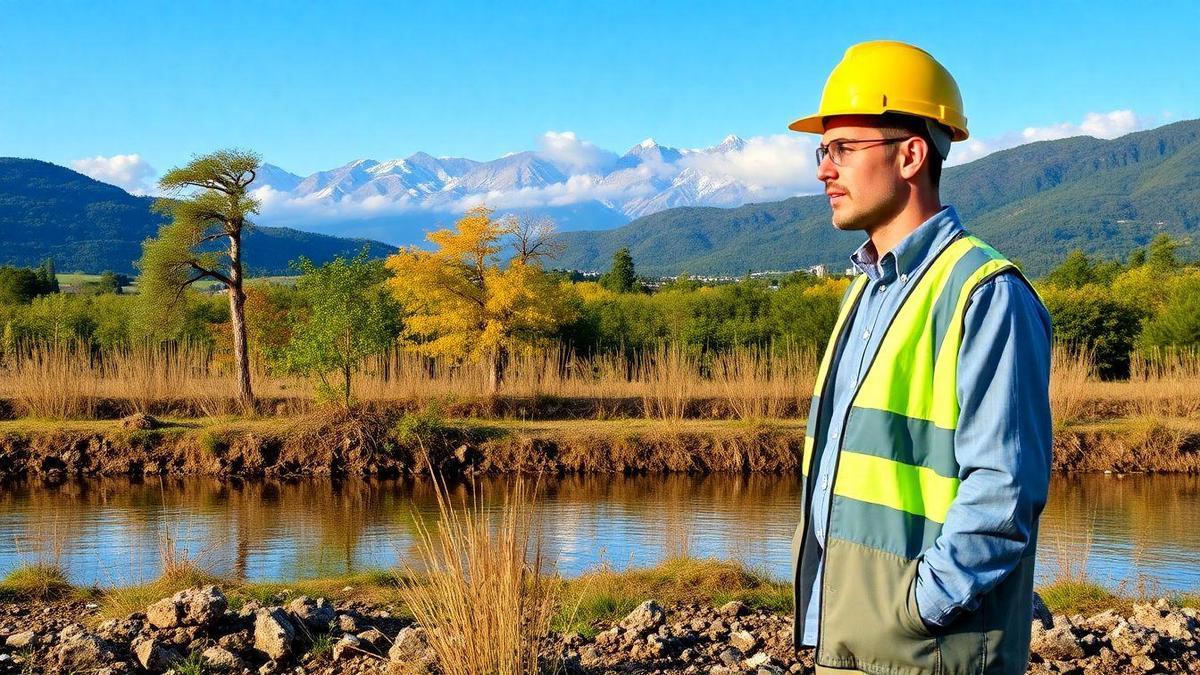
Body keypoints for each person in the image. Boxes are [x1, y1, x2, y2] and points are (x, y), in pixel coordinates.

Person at [787, 40, 1053, 674]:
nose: (825, 170)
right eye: (822, 151)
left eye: (843, 149)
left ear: (910, 155)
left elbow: (1005, 492)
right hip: (854, 647)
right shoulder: (866, 288)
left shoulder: (985, 294)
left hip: (927, 653)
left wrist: (913, 611)